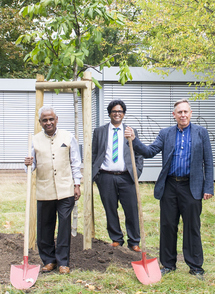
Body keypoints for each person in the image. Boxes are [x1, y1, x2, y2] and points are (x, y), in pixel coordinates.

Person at [128, 99, 214, 278]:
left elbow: (209, 162)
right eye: (179, 112)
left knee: (192, 227)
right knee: (167, 225)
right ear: (174, 115)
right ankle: (168, 265)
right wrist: (134, 141)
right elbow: (150, 151)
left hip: (192, 186)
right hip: (170, 186)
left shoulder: (201, 133)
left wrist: (208, 187)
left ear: (190, 114)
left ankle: (196, 267)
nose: (183, 115)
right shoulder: (166, 133)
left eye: (185, 112)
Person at [24, 106, 82, 274]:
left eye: (51, 119)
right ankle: (49, 260)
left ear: (56, 119)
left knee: (64, 226)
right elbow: (31, 166)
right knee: (45, 227)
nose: (48, 122)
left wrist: (77, 184)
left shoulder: (68, 137)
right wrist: (28, 163)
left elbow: (75, 162)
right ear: (40, 122)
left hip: (66, 189)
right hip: (44, 190)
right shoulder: (34, 140)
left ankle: (63, 261)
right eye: (44, 120)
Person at [91, 99, 144, 251]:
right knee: (110, 208)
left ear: (124, 114)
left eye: (120, 111)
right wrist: (96, 175)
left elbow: (138, 153)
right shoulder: (100, 131)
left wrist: (137, 172)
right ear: (109, 113)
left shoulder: (130, 131)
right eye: (114, 111)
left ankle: (134, 241)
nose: (117, 114)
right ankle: (116, 239)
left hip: (127, 176)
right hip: (105, 176)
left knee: (131, 209)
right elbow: (94, 153)